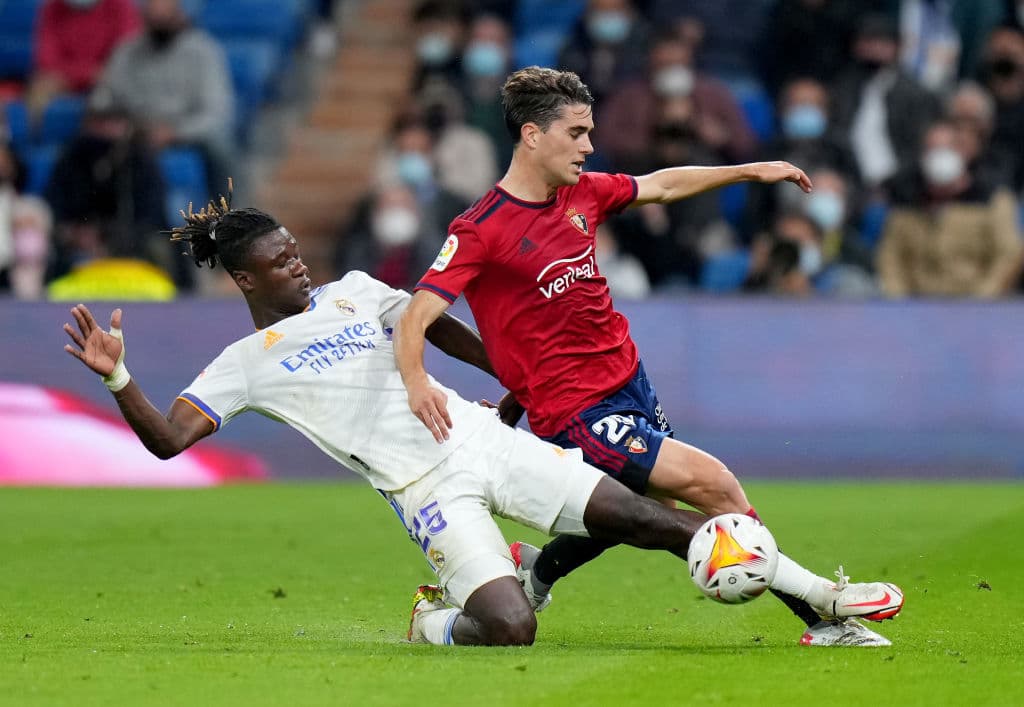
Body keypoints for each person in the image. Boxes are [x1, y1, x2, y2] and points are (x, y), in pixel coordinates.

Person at [61, 195, 720, 647]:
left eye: (295, 250)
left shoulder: (355, 288)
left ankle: (776, 568)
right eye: (281, 259)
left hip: (475, 436)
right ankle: (435, 624)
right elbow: (169, 441)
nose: (298, 263)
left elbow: (433, 326)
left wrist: (515, 378)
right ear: (244, 277)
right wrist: (119, 378)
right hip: (420, 491)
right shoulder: (242, 363)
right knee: (510, 626)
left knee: (635, 512)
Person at [394, 66, 904, 647]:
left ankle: (537, 572)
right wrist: (417, 384)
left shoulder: (580, 194)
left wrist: (748, 171)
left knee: (631, 509)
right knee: (710, 487)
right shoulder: (482, 228)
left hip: (628, 379)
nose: (589, 146)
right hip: (577, 411)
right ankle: (821, 610)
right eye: (577, 132)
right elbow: (417, 316)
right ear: (532, 136)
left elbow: (661, 184)